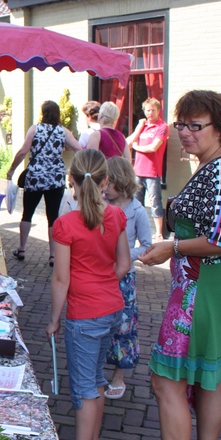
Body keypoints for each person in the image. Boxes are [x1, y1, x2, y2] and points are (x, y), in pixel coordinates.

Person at [138, 90, 221, 440]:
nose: (185, 132)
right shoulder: (216, 165)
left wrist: (172, 247)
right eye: (181, 124)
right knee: (209, 377)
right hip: (209, 287)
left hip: (203, 291)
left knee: (166, 381)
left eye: (196, 125)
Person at [46, 149, 131, 440]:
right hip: (111, 309)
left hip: (83, 315)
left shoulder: (65, 224)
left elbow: (60, 278)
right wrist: (102, 282)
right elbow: (123, 264)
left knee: (84, 390)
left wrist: (54, 319)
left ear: (72, 181)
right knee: (96, 380)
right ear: (105, 180)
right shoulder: (116, 216)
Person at [6, 100, 81, 266]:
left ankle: (22, 248)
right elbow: (79, 149)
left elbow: (23, 151)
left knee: (27, 213)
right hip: (55, 178)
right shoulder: (63, 131)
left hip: (35, 177)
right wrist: (74, 171)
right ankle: (53, 255)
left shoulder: (35, 129)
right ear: (57, 114)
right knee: (53, 216)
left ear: (43, 113)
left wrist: (12, 169)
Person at [102, 156, 152, 400]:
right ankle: (96, 367)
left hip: (123, 278)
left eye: (108, 184)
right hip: (100, 273)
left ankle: (118, 375)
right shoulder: (100, 205)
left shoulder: (137, 210)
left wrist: (123, 255)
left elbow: (147, 246)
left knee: (124, 325)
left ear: (120, 183)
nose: (104, 189)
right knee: (98, 321)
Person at [126, 98, 170, 241]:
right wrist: (138, 128)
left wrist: (137, 147)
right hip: (137, 170)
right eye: (147, 110)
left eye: (153, 110)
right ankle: (138, 232)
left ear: (158, 111)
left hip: (152, 171)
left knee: (155, 202)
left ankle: (158, 233)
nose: (150, 113)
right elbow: (128, 143)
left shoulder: (162, 127)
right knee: (136, 203)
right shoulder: (143, 126)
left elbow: (153, 147)